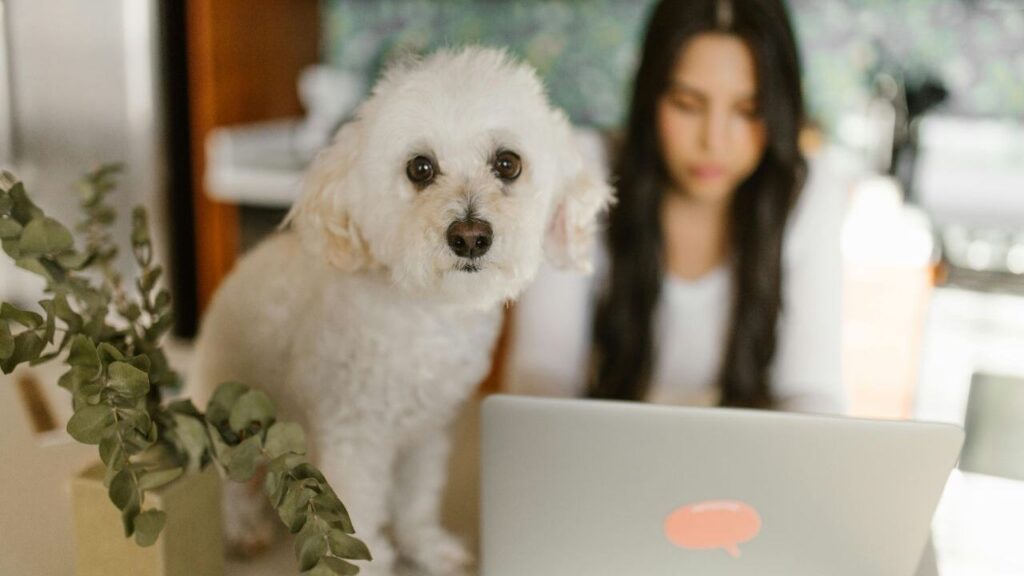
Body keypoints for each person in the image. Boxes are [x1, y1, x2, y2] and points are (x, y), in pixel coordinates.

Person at [505, 0, 849, 414]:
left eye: (748, 111)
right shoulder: (581, 173)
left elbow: (812, 389)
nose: (714, 141)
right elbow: (541, 374)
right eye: (687, 104)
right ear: (651, 97)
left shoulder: (808, 190)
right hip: (600, 463)